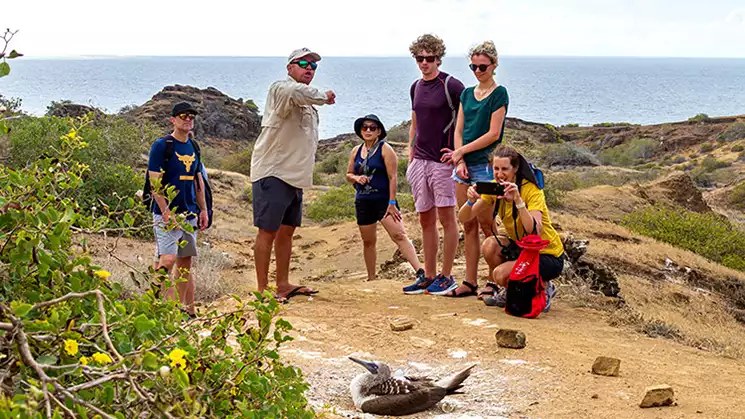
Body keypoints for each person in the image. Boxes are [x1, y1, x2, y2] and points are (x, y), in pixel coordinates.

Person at [250, 48, 336, 303]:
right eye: (302, 63)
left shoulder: (307, 102)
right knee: (267, 231)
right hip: (273, 173)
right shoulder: (281, 89)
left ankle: (283, 284)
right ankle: (263, 289)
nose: (309, 68)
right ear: (290, 68)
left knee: (287, 231)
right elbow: (296, 92)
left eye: (313, 66)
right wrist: (325, 96)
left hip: (294, 177)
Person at [458, 145, 565, 310]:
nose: (500, 174)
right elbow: (465, 217)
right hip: (522, 247)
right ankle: (511, 291)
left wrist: (518, 201)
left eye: (504, 169)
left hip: (546, 254)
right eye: (496, 169)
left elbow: (534, 230)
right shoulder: (495, 188)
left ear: (515, 169)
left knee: (500, 274)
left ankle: (543, 287)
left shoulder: (532, 190)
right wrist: (470, 200)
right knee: (490, 245)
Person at [441, 40, 509, 298]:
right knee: (466, 222)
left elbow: (493, 133)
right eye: (474, 66)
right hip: (464, 165)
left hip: (485, 166)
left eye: (483, 66)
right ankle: (470, 282)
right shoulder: (467, 94)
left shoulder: (499, 93)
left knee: (487, 225)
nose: (478, 71)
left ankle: (494, 280)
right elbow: (459, 129)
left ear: (493, 65)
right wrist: (459, 159)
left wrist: (461, 152)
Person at [402, 34, 466, 296]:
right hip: (420, 160)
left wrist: (459, 152)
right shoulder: (416, 87)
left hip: (442, 162)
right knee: (424, 219)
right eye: (420, 58)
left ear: (439, 58)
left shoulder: (451, 85)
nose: (425, 63)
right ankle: (428, 275)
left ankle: (447, 275)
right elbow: (415, 118)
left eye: (430, 58)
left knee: (447, 218)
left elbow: (466, 117)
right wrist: (410, 148)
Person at [147, 102, 210, 317]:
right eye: (183, 115)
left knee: (185, 262)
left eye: (192, 116)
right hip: (167, 213)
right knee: (168, 260)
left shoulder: (194, 147)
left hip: (189, 213)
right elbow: (155, 182)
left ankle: (186, 311)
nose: (188, 119)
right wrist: (165, 212)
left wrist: (203, 210)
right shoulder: (162, 145)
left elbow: (198, 181)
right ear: (172, 120)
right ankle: (153, 307)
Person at [346, 114, 423, 281]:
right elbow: (349, 174)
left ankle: (420, 272)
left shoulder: (385, 149)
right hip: (363, 201)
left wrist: (392, 202)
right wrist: (356, 178)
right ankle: (371, 277)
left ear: (379, 131)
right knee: (368, 241)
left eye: (372, 128)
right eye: (364, 127)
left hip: (384, 201)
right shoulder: (356, 151)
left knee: (399, 236)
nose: (368, 130)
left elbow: (392, 177)